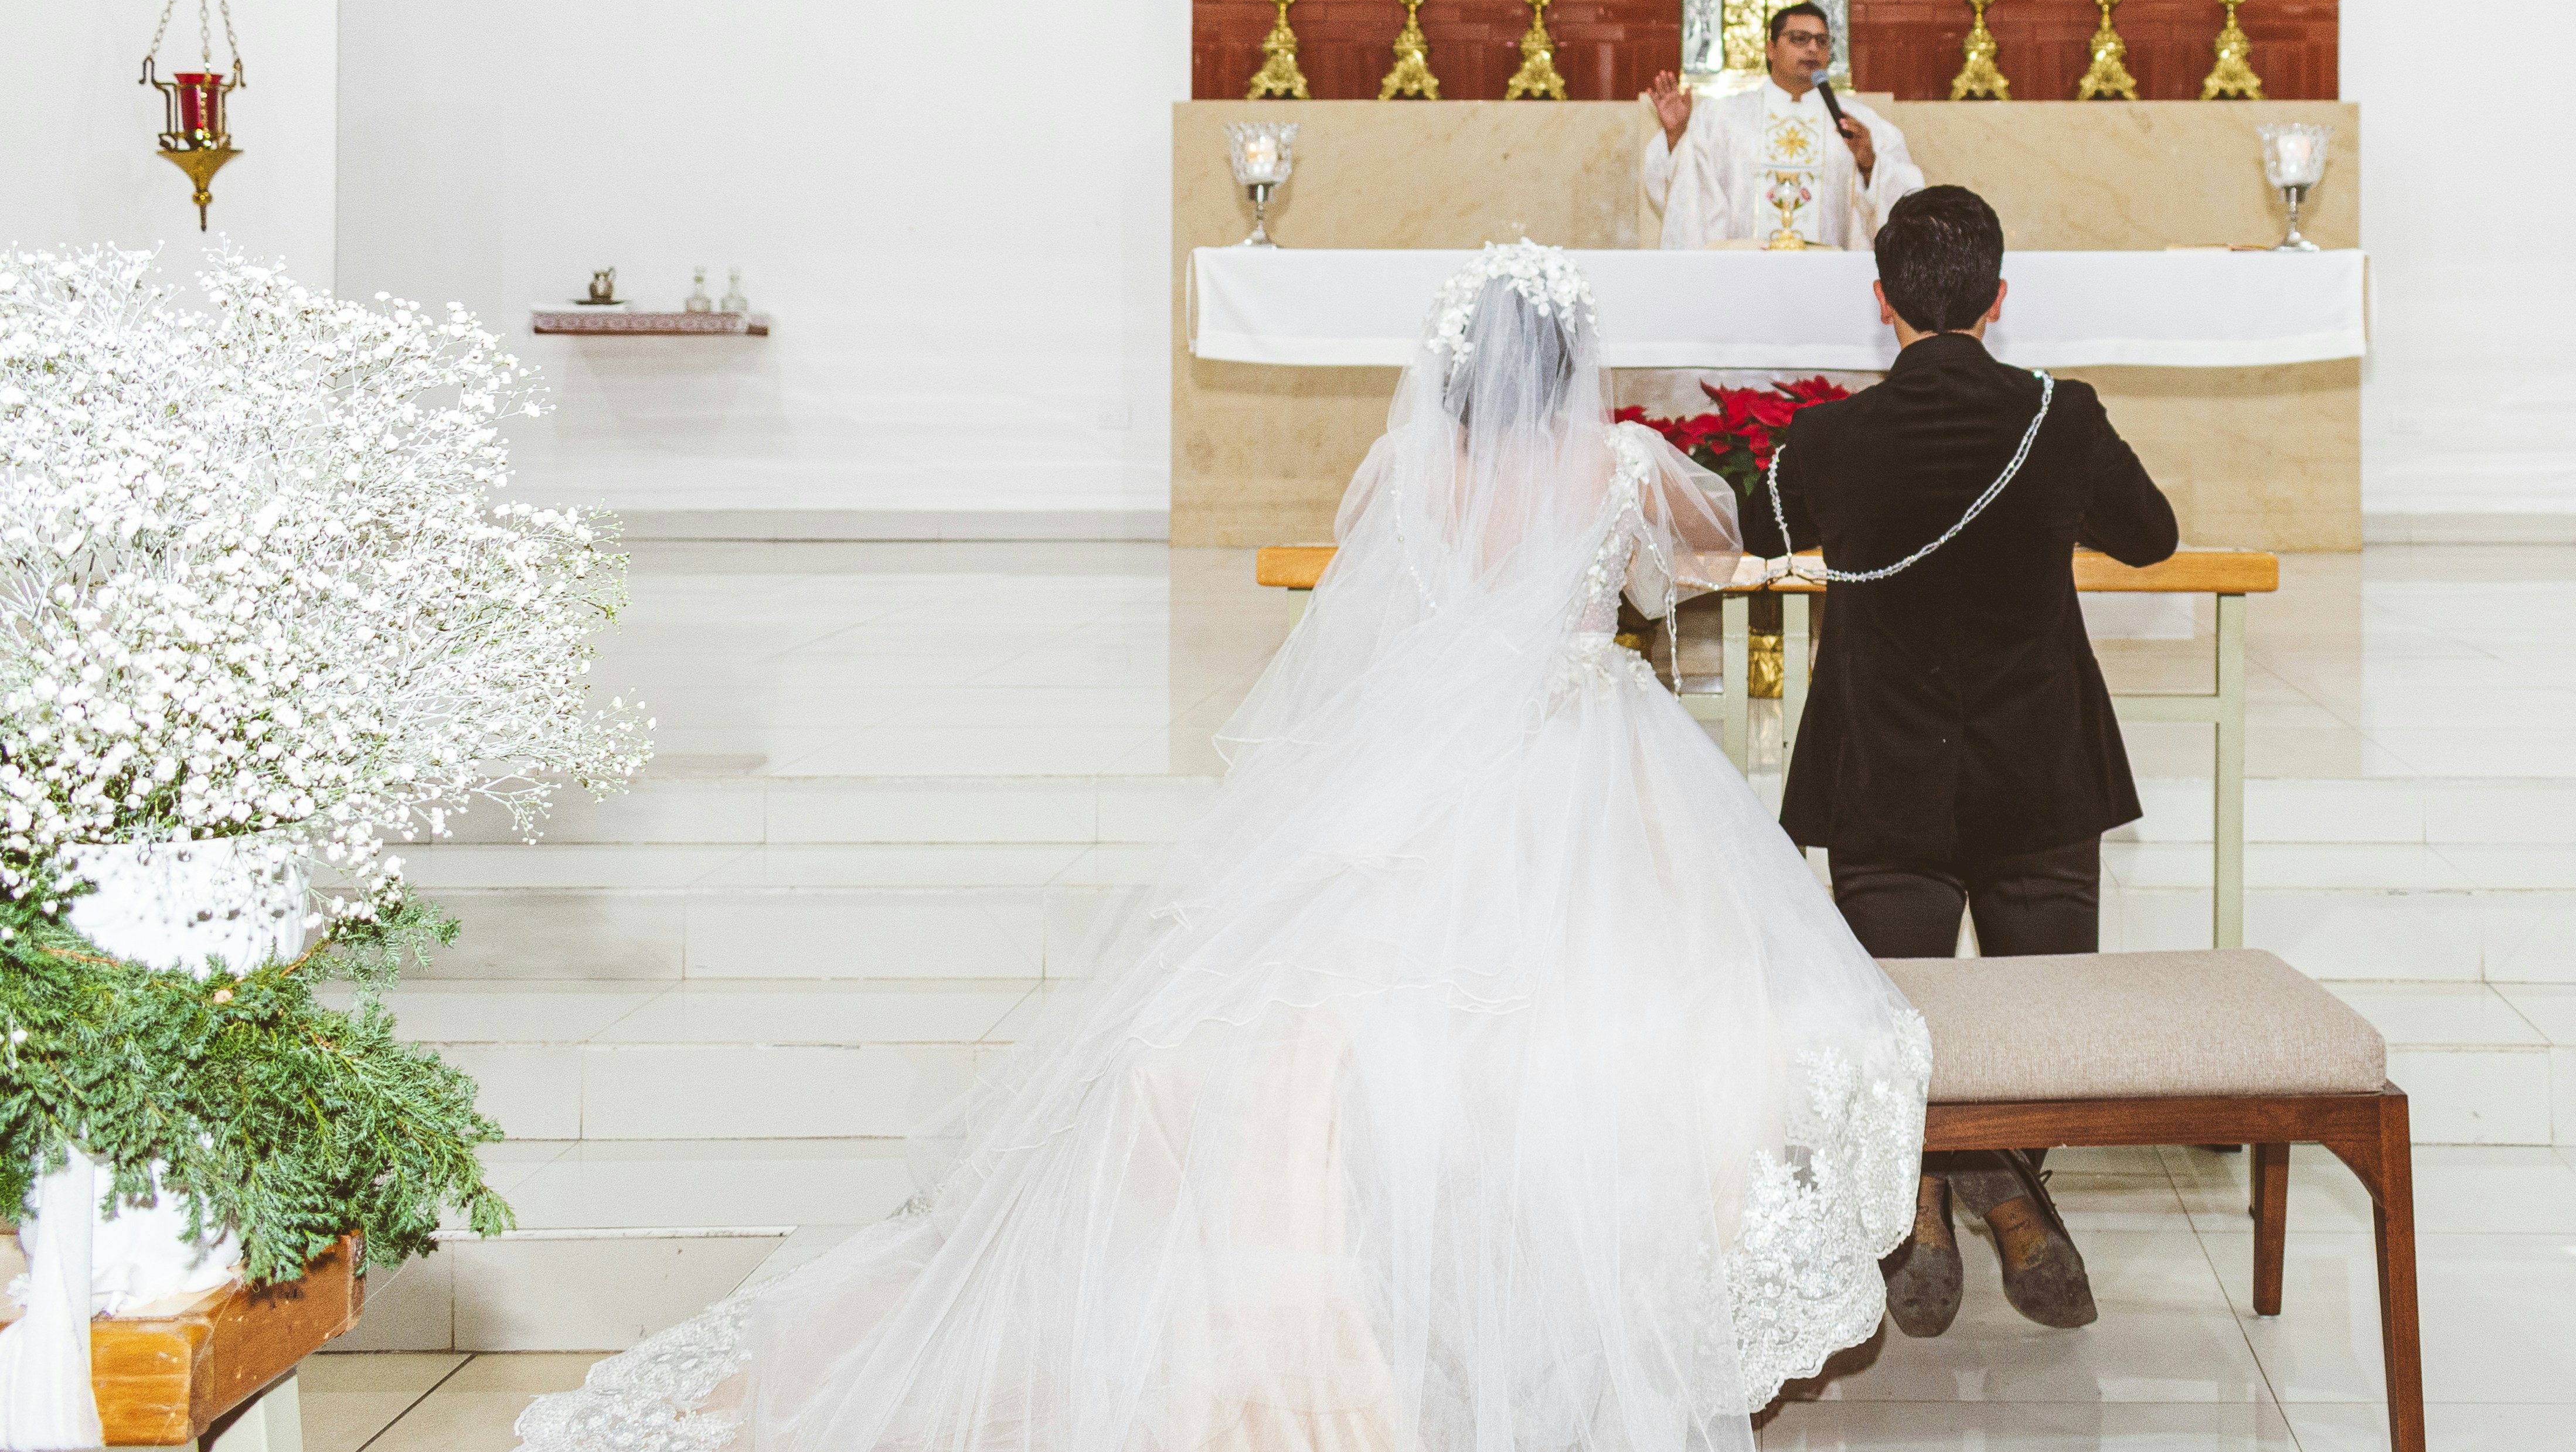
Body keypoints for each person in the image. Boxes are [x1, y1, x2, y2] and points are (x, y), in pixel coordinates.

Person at [518, 243, 1930, 1451]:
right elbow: (1706, 549)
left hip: (1417, 776)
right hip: (1590, 766)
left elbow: (1379, 586)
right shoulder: (1615, 462)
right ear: (1574, 358)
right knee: (1647, 1015)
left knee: (1308, 1014)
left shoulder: (1404, 462)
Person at [1738, 185, 2179, 1337]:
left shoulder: (1832, 436)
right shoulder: (2059, 416)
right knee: (2044, 1026)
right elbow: (2151, 535)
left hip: (1882, 767)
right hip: (2039, 770)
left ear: (1882, 304)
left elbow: (1757, 531)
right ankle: (2006, 1191)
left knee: (1891, 1015)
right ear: (1997, 299)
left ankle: (1927, 1202)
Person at [1643, 1, 1924, 253]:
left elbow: (1908, 200)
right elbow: (1686, 197)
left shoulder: (1861, 124)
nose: (1813, 48)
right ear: (1771, 48)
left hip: (1827, 280)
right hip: (1742, 279)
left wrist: (1870, 164)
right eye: (1799, 39)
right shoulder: (1721, 118)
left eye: (1822, 42)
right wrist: (1676, 136)